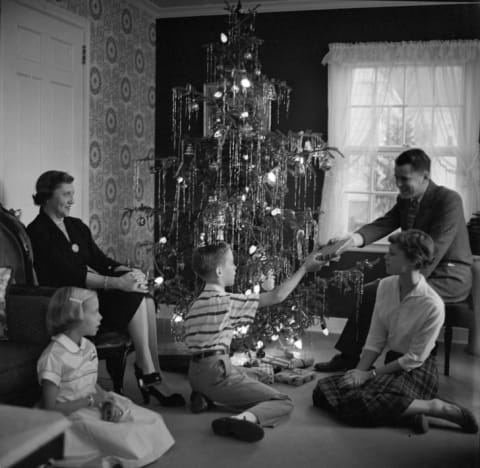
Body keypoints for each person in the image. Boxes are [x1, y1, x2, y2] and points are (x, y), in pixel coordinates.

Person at [27, 170, 184, 406]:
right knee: (134, 298)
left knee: (146, 298)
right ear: (47, 196)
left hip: (91, 294)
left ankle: (150, 369)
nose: (72, 200)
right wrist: (115, 283)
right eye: (66, 194)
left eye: (73, 193)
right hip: (67, 300)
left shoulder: (76, 226)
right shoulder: (37, 231)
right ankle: (147, 371)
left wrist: (126, 271)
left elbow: (100, 261)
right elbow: (70, 274)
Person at [315, 148, 473, 372]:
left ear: (425, 176)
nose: (399, 184)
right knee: (371, 290)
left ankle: (409, 362)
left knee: (385, 292)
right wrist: (350, 239)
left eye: (404, 179)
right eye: (396, 178)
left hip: (448, 276)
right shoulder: (406, 200)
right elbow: (384, 224)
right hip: (417, 270)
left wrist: (403, 284)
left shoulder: (448, 200)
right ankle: (348, 357)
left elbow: (435, 250)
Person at [312, 230, 478, 434]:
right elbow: (375, 338)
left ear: (412, 260)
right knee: (322, 392)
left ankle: (435, 407)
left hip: (417, 370)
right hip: (391, 362)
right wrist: (359, 372)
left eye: (392, 253)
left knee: (356, 405)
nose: (385, 257)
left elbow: (414, 359)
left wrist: (369, 374)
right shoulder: (385, 286)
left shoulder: (432, 305)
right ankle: (410, 413)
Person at [184, 241, 326, 443]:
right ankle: (240, 420)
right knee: (283, 401)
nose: (235, 268)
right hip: (216, 373)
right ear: (218, 271)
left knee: (259, 374)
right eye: (231, 263)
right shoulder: (226, 302)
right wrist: (304, 268)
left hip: (196, 373)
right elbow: (277, 296)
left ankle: (202, 395)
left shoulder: (195, 306)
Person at [37, 287, 175, 467]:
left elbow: (91, 384)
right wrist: (90, 401)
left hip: (92, 403)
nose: (100, 317)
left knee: (151, 419)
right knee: (123, 436)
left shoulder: (88, 347)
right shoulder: (54, 357)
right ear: (74, 316)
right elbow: (50, 408)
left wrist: (105, 402)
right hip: (71, 416)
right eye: (95, 312)